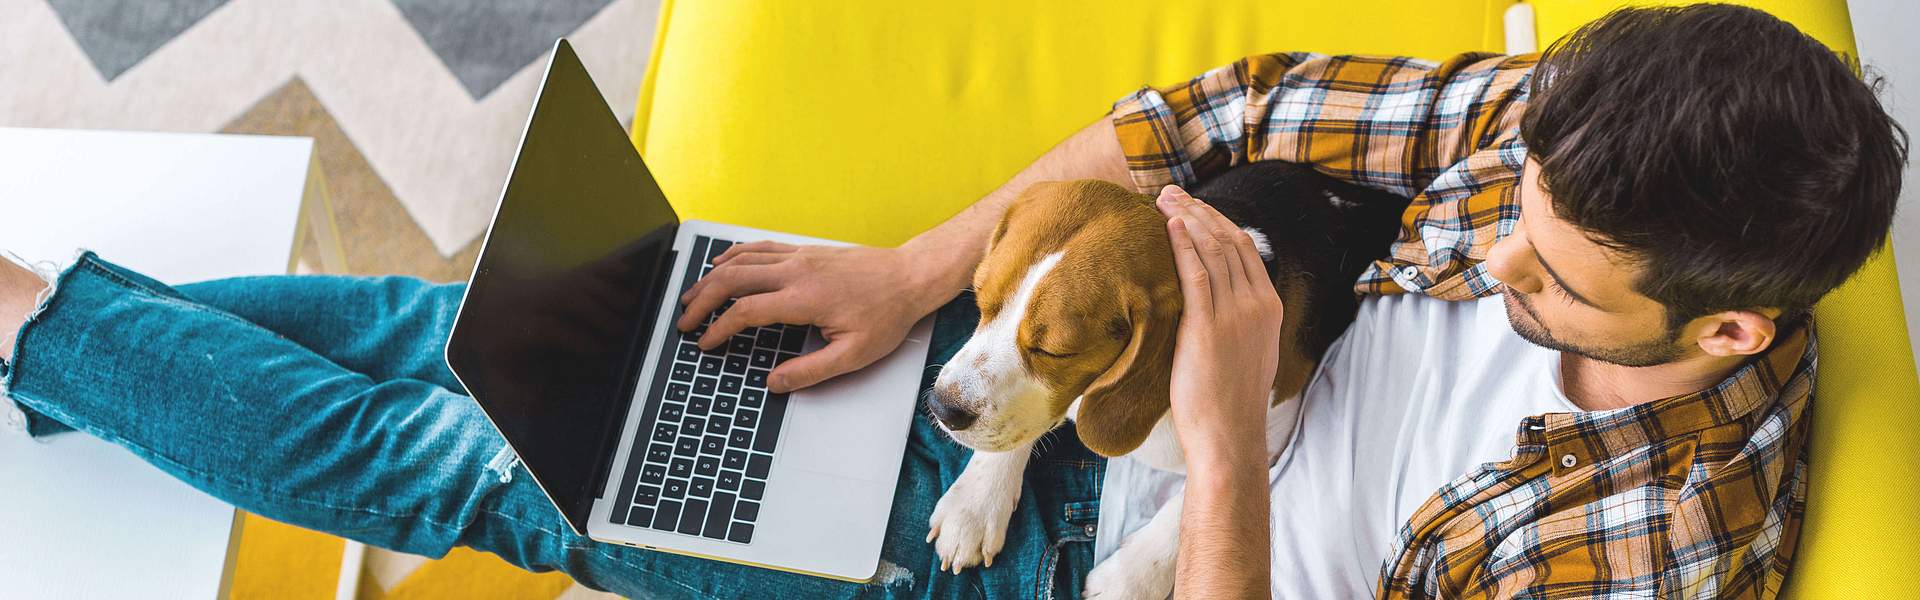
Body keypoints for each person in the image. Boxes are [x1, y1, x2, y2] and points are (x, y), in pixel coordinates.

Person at [0, 3, 1903, 599]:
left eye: (1552, 278)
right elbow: (1211, 112)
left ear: (1729, 332)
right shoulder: (1552, 141)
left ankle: (28, 324)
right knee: (527, 344)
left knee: (476, 462)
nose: (1493, 254)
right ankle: (47, 354)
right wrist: (914, 277)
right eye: (1514, 209)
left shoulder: (1649, 545)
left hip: (1055, 558)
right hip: (1053, 357)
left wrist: (1223, 429)